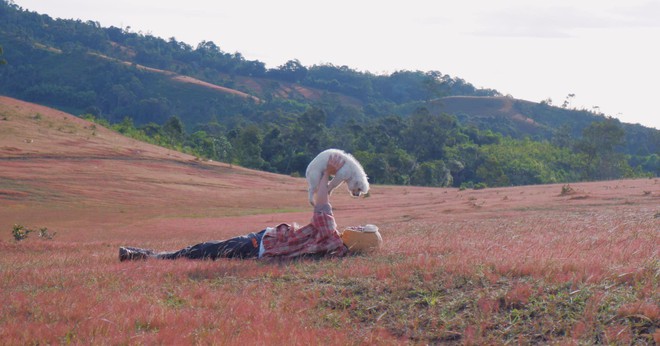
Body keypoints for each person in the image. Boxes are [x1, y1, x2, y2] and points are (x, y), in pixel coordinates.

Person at [119, 154, 382, 261]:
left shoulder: (332, 238)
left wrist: (328, 172)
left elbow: (323, 202)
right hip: (262, 240)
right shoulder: (335, 247)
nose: (356, 226)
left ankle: (144, 257)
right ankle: (146, 255)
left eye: (361, 229)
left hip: (261, 246)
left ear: (360, 240)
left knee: (203, 251)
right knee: (205, 249)